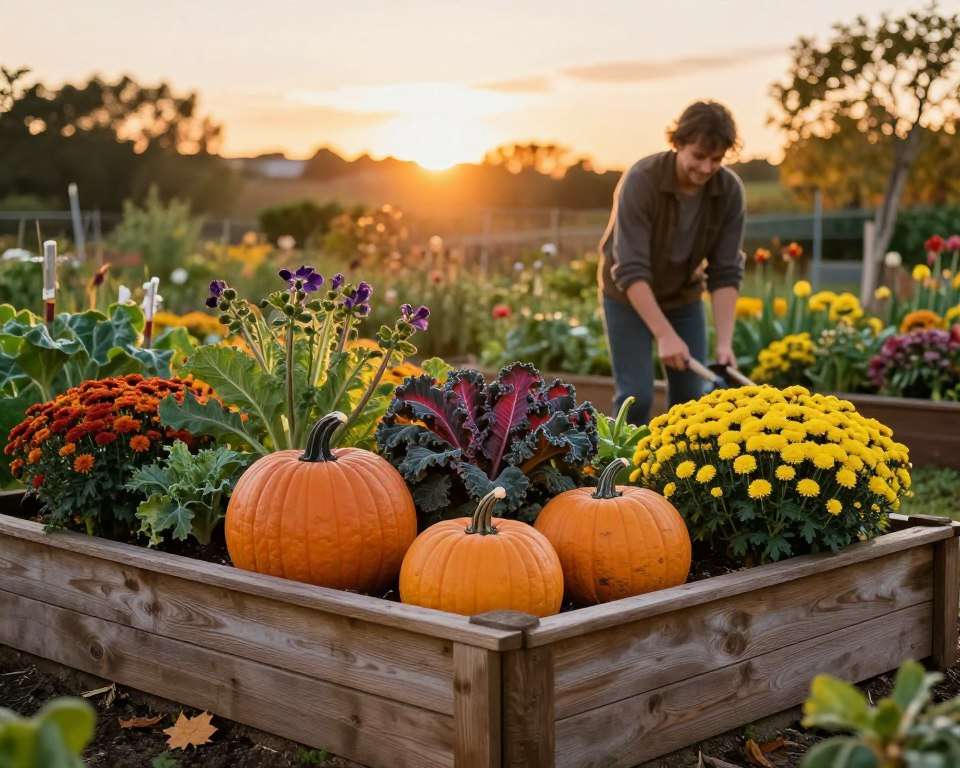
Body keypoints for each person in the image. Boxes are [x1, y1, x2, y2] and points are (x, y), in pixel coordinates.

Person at [598, 100, 746, 425]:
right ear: (678, 143)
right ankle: (619, 471)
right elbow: (630, 268)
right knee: (636, 396)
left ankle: (677, 475)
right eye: (698, 156)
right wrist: (664, 334)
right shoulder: (642, 179)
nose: (707, 168)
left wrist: (724, 344)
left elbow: (725, 271)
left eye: (717, 159)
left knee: (691, 402)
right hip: (627, 296)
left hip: (682, 296)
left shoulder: (729, 191)